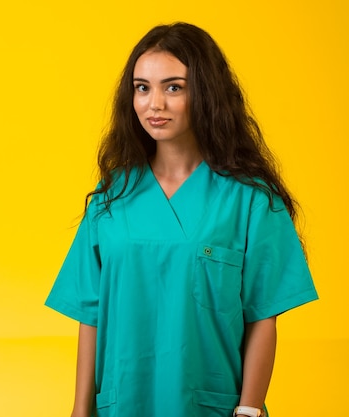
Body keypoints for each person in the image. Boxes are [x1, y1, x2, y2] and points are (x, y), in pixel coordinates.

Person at [45, 22, 318, 417]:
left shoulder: (250, 199)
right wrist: (79, 411)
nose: (154, 104)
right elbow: (91, 317)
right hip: (122, 405)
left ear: (205, 93)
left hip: (208, 406)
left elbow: (263, 317)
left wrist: (249, 409)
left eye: (173, 87)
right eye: (142, 87)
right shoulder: (110, 200)